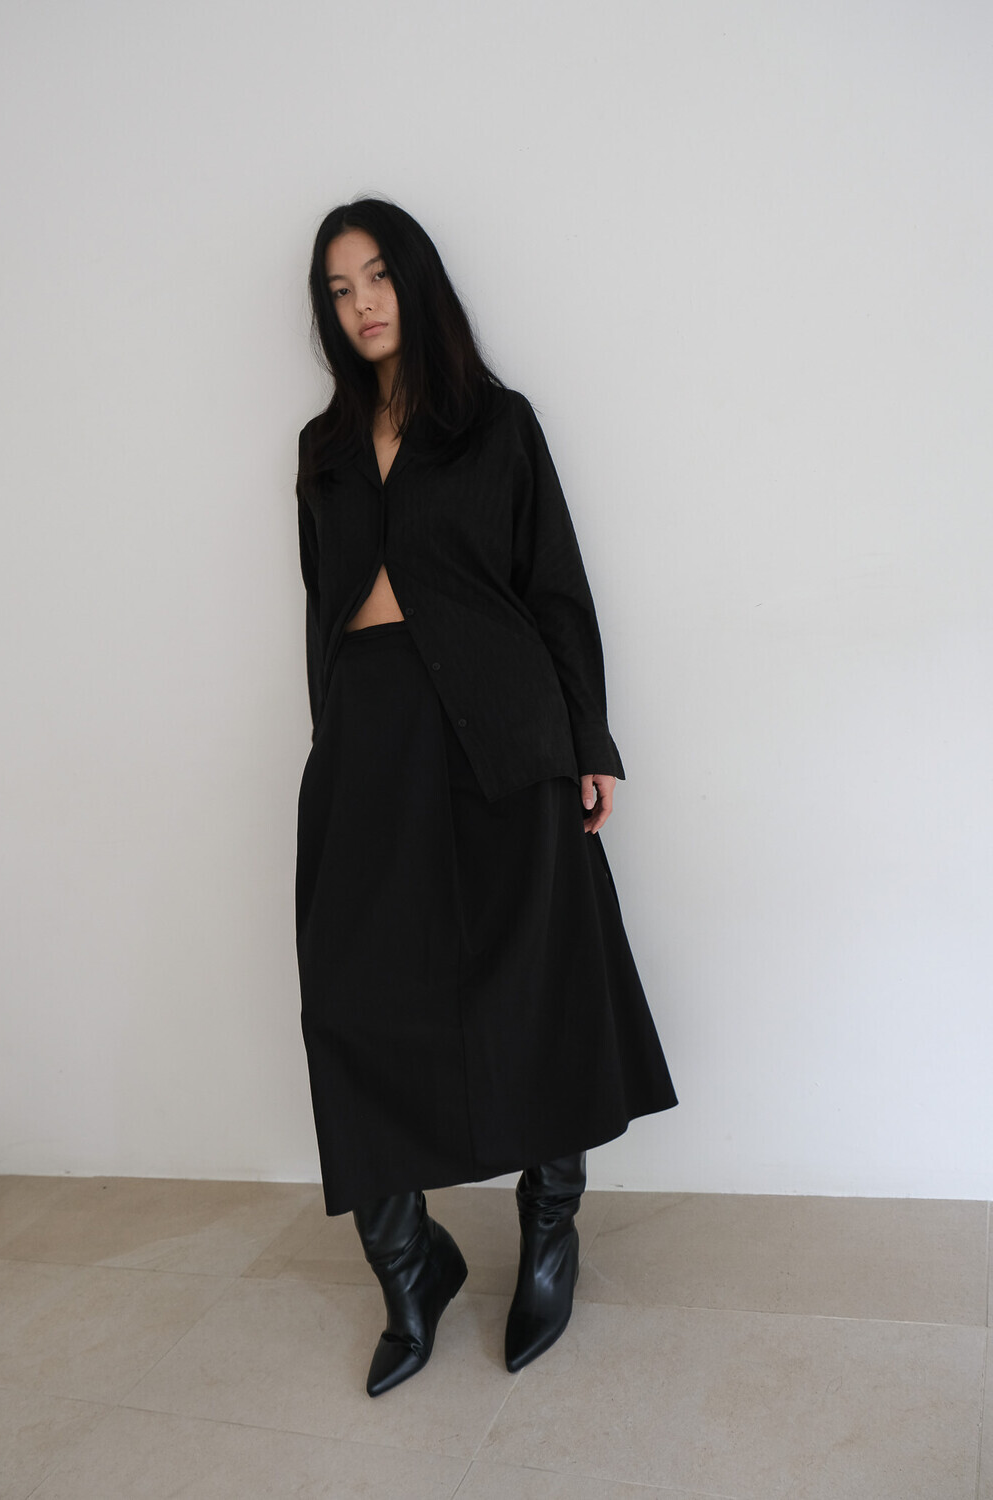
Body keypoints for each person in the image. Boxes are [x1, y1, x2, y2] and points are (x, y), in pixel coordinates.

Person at [293, 196, 678, 1397]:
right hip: (370, 739)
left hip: (504, 735)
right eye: (339, 289)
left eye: (376, 277)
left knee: (537, 980)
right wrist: (335, 738)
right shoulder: (322, 448)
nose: (361, 304)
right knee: (350, 1000)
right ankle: (410, 1263)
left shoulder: (496, 424)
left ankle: (550, 1228)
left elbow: (553, 586)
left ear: (415, 281)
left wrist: (588, 741)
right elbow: (320, 605)